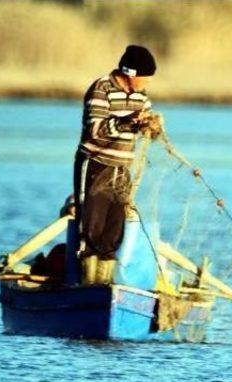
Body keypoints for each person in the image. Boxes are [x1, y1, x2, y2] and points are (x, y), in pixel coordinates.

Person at [71, 45, 158, 286]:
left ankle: (104, 288)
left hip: (122, 168)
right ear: (130, 74)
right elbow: (95, 131)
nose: (147, 83)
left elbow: (144, 125)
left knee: (113, 232)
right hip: (96, 165)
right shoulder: (102, 88)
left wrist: (150, 126)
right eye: (145, 77)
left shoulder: (142, 96)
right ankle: (87, 287)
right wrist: (126, 121)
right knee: (92, 231)